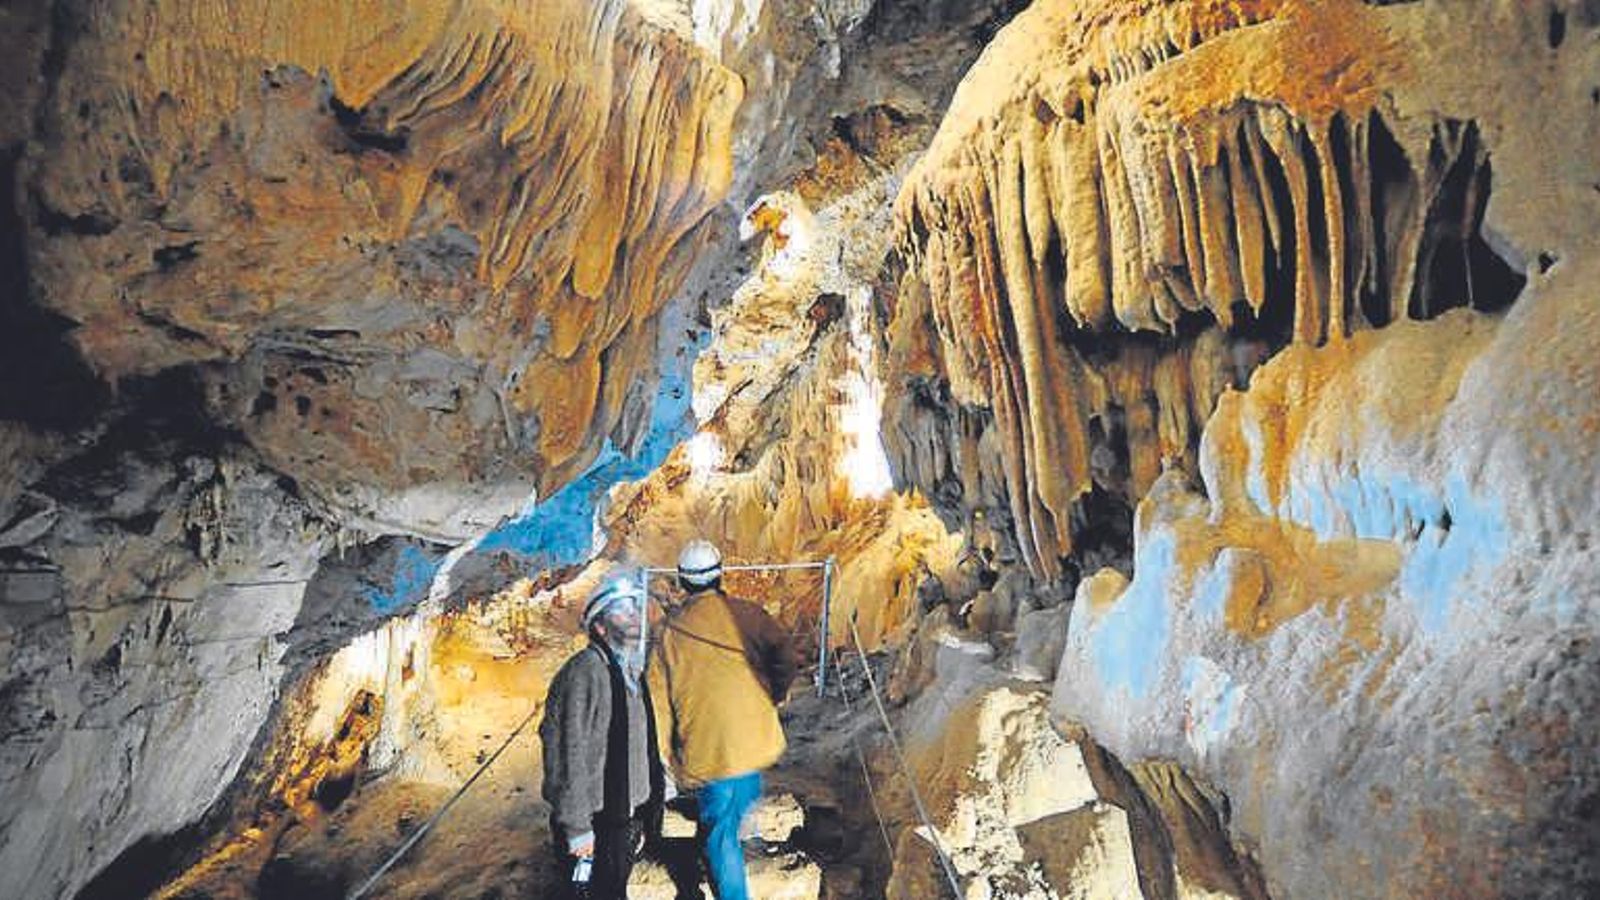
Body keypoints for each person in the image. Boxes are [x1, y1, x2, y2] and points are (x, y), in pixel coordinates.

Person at [648, 540, 800, 900]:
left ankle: (732, 890)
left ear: (683, 583)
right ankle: (738, 846)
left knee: (721, 829)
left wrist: (668, 756)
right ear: (720, 576)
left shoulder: (669, 634)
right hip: (755, 739)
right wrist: (774, 695)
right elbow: (785, 655)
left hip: (709, 747)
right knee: (737, 800)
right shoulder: (748, 614)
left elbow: (658, 703)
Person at [540, 579, 665, 899]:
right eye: (622, 611)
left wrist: (655, 780)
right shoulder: (585, 672)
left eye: (635, 607)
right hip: (596, 821)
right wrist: (577, 827)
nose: (635, 615)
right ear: (599, 627)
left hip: (622, 817)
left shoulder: (626, 671)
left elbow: (637, 738)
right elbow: (569, 754)